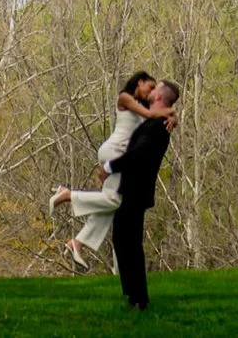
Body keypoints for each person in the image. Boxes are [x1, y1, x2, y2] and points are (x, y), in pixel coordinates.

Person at [48, 71, 175, 268]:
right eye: (149, 87)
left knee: (111, 205)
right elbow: (151, 115)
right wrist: (171, 113)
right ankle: (68, 195)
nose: (150, 92)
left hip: (120, 156)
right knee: (115, 199)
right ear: (139, 82)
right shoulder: (125, 98)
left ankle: (78, 243)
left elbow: (155, 114)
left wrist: (174, 116)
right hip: (114, 153)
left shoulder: (142, 105)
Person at [106, 78, 177, 311]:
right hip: (132, 189)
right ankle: (132, 294)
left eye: (155, 89)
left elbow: (137, 155)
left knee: (131, 244)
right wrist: (173, 113)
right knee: (121, 240)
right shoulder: (157, 120)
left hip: (137, 190)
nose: (151, 89)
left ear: (158, 97)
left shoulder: (157, 126)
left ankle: (139, 299)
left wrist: (109, 167)